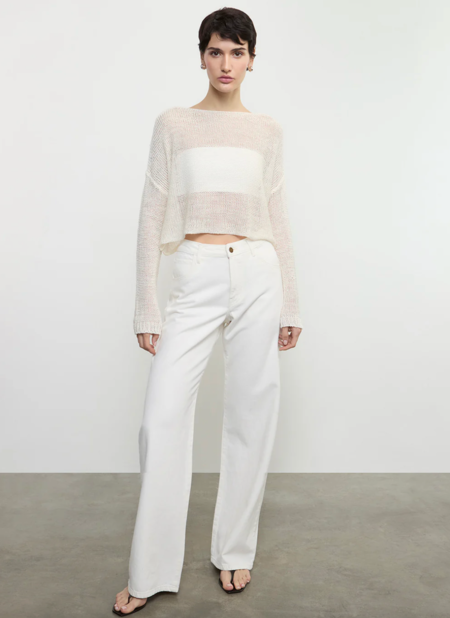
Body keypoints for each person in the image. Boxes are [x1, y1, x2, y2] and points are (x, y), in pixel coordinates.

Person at [113, 7, 303, 616]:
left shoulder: (267, 131)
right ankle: (149, 570)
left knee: (252, 412)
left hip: (257, 273)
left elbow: (277, 216)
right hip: (194, 275)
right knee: (161, 419)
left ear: (252, 60)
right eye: (216, 51)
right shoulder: (173, 124)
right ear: (201, 57)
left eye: (238, 52)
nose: (227, 63)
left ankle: (235, 549)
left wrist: (290, 300)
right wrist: (146, 305)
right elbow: (151, 213)